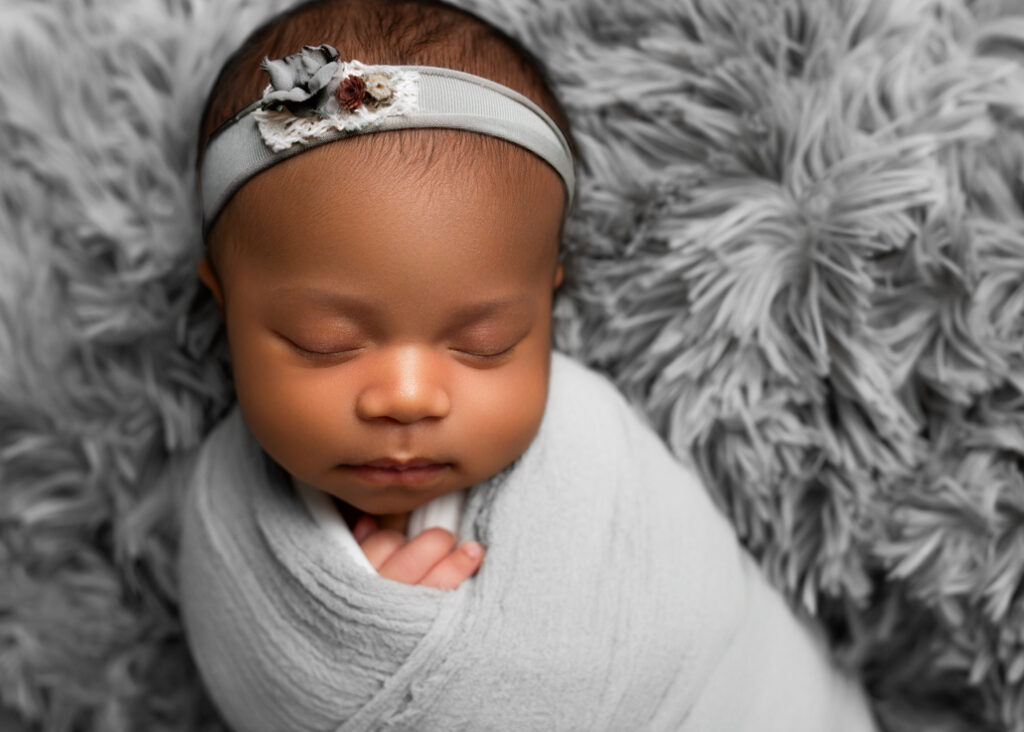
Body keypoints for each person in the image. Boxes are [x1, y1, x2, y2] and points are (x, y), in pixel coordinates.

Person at [196, 0, 574, 591]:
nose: (407, 399)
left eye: (485, 342)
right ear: (223, 306)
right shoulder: (219, 507)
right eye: (324, 342)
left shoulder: (597, 463)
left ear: (549, 302)